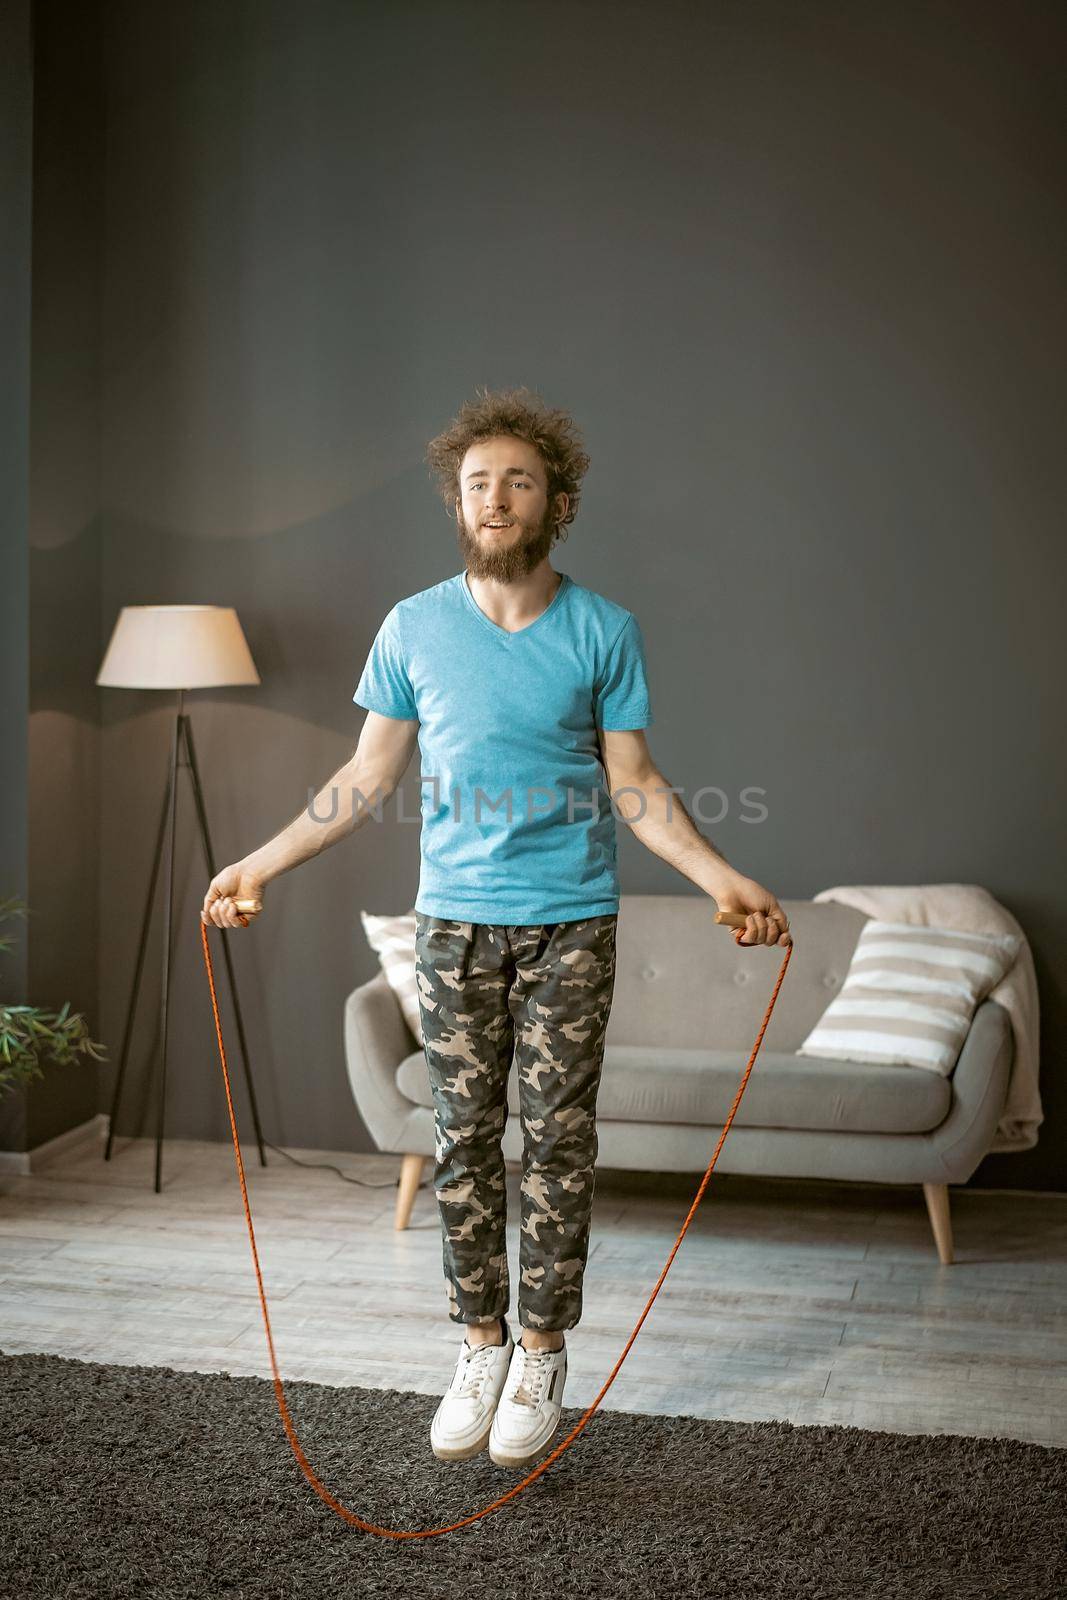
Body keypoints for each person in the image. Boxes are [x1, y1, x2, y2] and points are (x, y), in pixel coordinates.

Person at [202, 384, 791, 1472]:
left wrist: (722, 876)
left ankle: (540, 1348)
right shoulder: (412, 626)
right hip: (452, 929)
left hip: (567, 926)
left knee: (556, 1143)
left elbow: (637, 785)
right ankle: (476, 1344)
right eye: (477, 482)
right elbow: (364, 777)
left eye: (518, 479)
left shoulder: (602, 628)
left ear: (553, 501)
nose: (495, 496)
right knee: (463, 1144)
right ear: (456, 502)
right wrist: (258, 862)